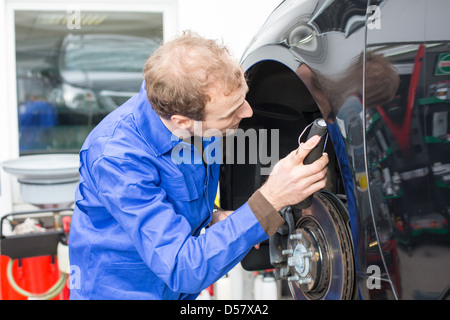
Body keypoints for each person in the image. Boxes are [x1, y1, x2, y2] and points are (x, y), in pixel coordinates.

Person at [68, 31, 329, 300]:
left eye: (244, 98)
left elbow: (177, 199)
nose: (248, 112)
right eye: (232, 111)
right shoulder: (116, 158)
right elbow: (184, 268)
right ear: (182, 121)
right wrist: (271, 198)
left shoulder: (203, 126)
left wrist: (214, 217)